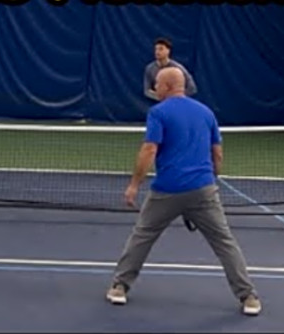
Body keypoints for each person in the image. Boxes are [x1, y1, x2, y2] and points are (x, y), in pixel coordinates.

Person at [106, 67, 262, 316]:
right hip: (203, 190)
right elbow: (217, 154)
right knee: (224, 242)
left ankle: (119, 287)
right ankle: (249, 297)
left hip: (166, 191)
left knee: (142, 236)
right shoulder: (206, 113)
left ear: (167, 86)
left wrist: (134, 184)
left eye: (157, 84)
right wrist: (211, 182)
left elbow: (149, 150)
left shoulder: (158, 113)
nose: (154, 88)